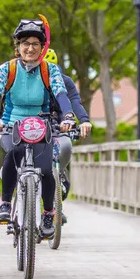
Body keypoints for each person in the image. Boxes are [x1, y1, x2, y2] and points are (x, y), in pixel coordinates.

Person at [0, 17, 76, 236]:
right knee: (13, 155)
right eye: (25, 43)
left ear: (42, 48)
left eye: (36, 44)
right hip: (11, 124)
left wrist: (69, 116)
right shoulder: (6, 69)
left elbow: (60, 93)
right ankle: (6, 204)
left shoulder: (50, 70)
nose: (30, 48)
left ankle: (47, 214)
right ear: (18, 47)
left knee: (46, 169)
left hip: (42, 125)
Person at [44, 48, 93, 198]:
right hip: (37, 122)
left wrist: (84, 121)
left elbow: (75, 101)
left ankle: (60, 173)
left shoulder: (65, 81)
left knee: (65, 146)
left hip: (60, 122)